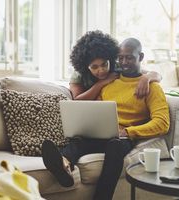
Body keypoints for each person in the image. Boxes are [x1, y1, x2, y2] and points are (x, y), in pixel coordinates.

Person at [41, 32, 166, 200]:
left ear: (140, 57)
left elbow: (162, 122)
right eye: (120, 58)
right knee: (79, 140)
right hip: (105, 134)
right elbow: (96, 110)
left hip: (124, 137)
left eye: (129, 58)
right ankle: (63, 163)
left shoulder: (152, 87)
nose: (124, 62)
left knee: (115, 145)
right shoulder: (110, 82)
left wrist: (129, 131)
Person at [68, 30, 162, 100]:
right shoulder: (79, 74)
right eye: (94, 67)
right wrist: (101, 83)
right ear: (86, 66)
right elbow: (77, 100)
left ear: (110, 59)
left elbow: (157, 75)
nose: (101, 70)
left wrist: (146, 78)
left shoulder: (118, 66)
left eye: (104, 64)